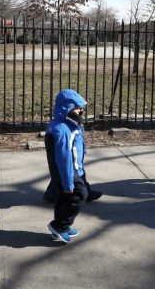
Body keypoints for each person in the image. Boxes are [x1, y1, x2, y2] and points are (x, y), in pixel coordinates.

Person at [45, 89, 90, 243]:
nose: (81, 111)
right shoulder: (62, 129)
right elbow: (63, 158)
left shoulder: (68, 124)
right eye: (78, 108)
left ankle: (61, 227)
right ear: (68, 108)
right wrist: (68, 182)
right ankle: (60, 225)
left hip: (70, 170)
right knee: (80, 195)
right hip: (67, 171)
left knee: (63, 198)